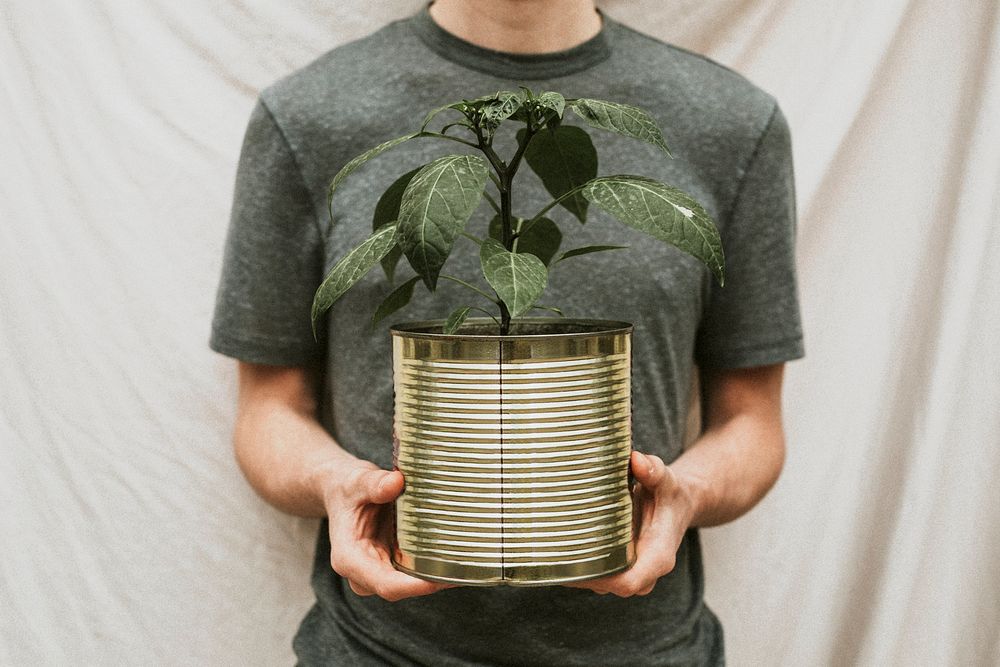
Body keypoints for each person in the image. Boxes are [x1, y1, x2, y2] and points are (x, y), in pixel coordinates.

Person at [209, 0, 804, 664]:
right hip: (377, 650)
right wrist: (336, 481)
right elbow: (268, 408)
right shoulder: (310, 114)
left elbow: (753, 420)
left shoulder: (730, 123)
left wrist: (685, 492)